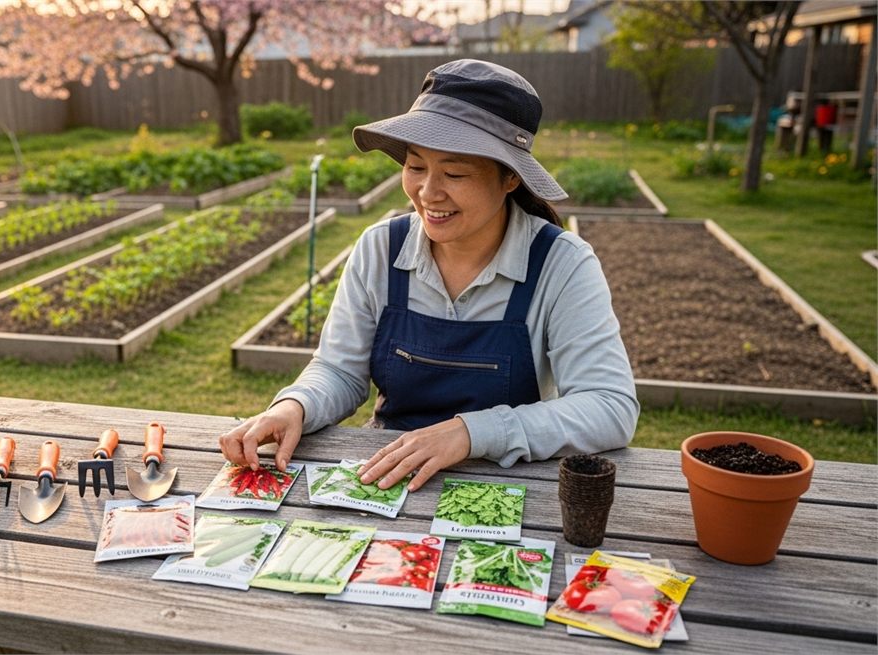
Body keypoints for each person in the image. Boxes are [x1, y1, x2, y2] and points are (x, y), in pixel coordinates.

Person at [219, 59, 639, 492]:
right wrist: (295, 406)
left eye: (454, 173)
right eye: (416, 167)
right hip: (388, 475)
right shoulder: (380, 247)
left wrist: (470, 433)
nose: (427, 192)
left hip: (506, 488)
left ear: (511, 177)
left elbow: (609, 407)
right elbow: (340, 371)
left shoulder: (561, 264)